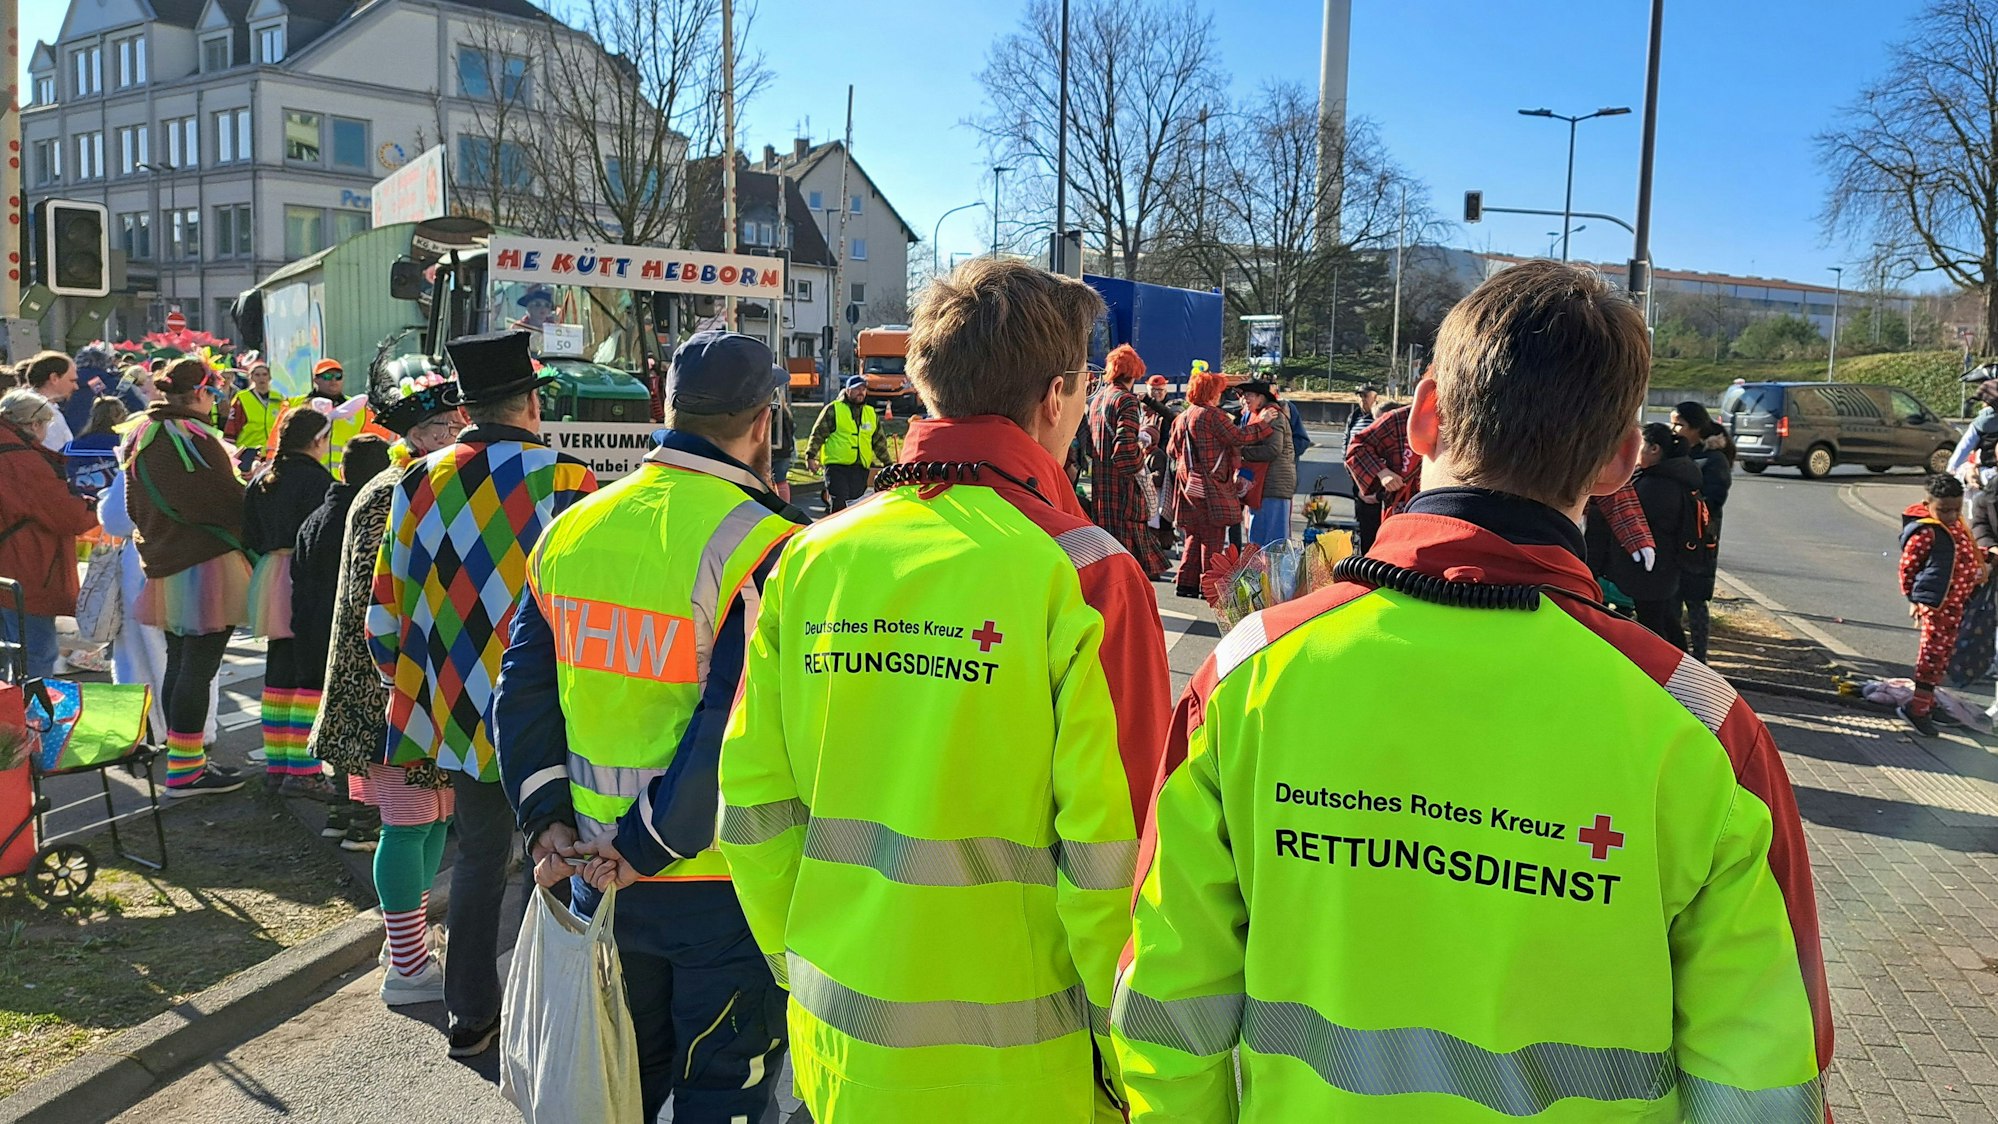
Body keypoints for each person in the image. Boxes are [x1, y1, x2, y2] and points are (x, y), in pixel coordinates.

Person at [1112, 260, 1831, 1121]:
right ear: (1621, 461)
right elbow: (1767, 1085)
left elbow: (1163, 1010)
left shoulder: (1251, 673)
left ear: (1422, 418)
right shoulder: (1703, 728)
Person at [718, 258, 1173, 1123]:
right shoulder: (1084, 574)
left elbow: (752, 809)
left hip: (838, 1045)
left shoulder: (813, 559)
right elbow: (1124, 858)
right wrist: (1133, 1058)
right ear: (1055, 396)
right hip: (1026, 1074)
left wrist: (813, 961)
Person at [496, 330, 803, 1122]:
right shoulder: (766, 543)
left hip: (592, 875)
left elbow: (522, 692)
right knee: (719, 1092)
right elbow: (732, 729)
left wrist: (545, 826)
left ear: (667, 407)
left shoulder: (573, 526)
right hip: (715, 885)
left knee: (627, 1086)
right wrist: (645, 847)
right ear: (763, 422)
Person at [369, 331, 597, 1048]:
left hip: (459, 710)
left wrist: (421, 688)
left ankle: (469, 1016)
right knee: (551, 853)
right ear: (531, 402)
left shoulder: (417, 479)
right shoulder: (565, 478)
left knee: (475, 858)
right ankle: (546, 1014)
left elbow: (385, 612)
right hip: (546, 706)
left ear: (466, 408)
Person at [312, 376, 466, 861]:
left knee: (435, 814)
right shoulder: (394, 489)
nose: (461, 432)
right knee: (407, 823)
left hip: (411, 676)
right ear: (423, 434)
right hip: (387, 681)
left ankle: (416, 934)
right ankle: (403, 940)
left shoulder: (418, 481)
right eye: (451, 424)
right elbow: (374, 594)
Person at [125, 358, 251, 796]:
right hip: (205, 561)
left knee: (181, 663)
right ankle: (186, 769)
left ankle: (184, 761)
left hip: (166, 559)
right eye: (215, 394)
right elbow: (224, 500)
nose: (216, 402)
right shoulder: (191, 437)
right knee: (199, 665)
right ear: (200, 393)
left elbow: (135, 504)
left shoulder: (142, 435)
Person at [292, 433, 394, 848]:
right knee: (366, 730)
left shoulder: (319, 516)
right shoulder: (371, 513)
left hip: (315, 635)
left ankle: (339, 812)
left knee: (339, 724)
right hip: (355, 639)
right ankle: (365, 821)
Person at [243, 407, 338, 795]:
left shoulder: (263, 477)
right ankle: (304, 770)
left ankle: (277, 764)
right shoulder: (317, 480)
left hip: (269, 574)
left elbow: (247, 532)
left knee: (278, 670)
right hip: (304, 577)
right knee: (309, 671)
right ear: (317, 441)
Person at [100, 462, 219, 745]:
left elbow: (114, 518)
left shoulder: (136, 464)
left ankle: (144, 730)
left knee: (138, 651)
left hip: (142, 562)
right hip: (193, 558)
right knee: (191, 656)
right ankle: (193, 734)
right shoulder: (200, 457)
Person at [0, 389, 98, 680]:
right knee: (35, 657)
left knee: (8, 655)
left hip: (9, 565)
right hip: (26, 569)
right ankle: (27, 722)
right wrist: (94, 508)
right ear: (33, 425)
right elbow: (66, 516)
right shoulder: (23, 462)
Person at [1167, 370, 1277, 598]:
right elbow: (1237, 437)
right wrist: (1263, 424)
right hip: (1211, 486)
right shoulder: (1212, 416)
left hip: (1188, 485)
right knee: (1212, 538)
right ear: (1211, 392)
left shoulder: (1182, 417)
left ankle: (1185, 584)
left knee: (1193, 535)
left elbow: (1171, 450)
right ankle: (1210, 589)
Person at [1898, 473, 1985, 736]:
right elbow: (1908, 568)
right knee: (1932, 655)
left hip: (1956, 602)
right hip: (1936, 604)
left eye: (1956, 509)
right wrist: (1914, 599)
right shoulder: (1926, 531)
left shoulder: (1957, 525)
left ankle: (1928, 700)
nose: (1950, 515)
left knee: (1943, 655)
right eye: (1943, 510)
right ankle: (1917, 708)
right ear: (1928, 504)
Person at [1606, 423, 1704, 650]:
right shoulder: (1673, 476)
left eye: (1639, 445)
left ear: (1654, 449)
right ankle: (1681, 666)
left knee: (1654, 624)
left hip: (1652, 571)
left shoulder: (1657, 485)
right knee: (1665, 620)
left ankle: (1667, 673)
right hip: (1663, 569)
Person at [1088, 344, 1168, 578]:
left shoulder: (1097, 400)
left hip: (1102, 492)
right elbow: (1124, 453)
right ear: (1134, 373)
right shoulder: (1126, 400)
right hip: (1125, 495)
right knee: (1130, 570)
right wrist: (1140, 458)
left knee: (1109, 566)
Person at [1673, 401, 1734, 661]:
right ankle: (1673, 655)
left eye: (1680, 424)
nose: (1673, 428)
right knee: (1670, 598)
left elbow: (1714, 498)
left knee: (1696, 599)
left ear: (1696, 428)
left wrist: (1687, 508)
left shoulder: (1713, 459)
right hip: (1674, 536)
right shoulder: (1677, 452)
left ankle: (1700, 658)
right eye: (1672, 422)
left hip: (1700, 539)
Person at [805, 376, 886, 512]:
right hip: (837, 467)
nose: (860, 392)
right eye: (856, 389)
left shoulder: (870, 413)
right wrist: (810, 456)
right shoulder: (833, 409)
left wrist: (888, 464)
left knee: (855, 504)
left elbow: (879, 441)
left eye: (863, 389)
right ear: (848, 391)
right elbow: (818, 434)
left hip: (860, 468)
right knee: (839, 502)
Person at [1238, 380, 1295, 548]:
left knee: (1273, 544)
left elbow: (1272, 450)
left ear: (1261, 397)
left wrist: (1242, 452)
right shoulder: (1259, 415)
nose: (1245, 398)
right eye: (1244, 395)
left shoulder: (1272, 416)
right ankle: (1260, 573)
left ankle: (1271, 575)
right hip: (1263, 485)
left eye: (1249, 395)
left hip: (1273, 486)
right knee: (1259, 540)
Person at [293, 359, 367, 476]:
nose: (333, 381)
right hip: (307, 476)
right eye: (327, 376)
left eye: (338, 376)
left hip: (345, 479)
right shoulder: (296, 405)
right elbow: (279, 438)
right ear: (315, 379)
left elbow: (373, 441)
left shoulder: (358, 407)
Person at [225, 361, 282, 474]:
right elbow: (232, 425)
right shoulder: (242, 398)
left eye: (264, 374)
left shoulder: (278, 398)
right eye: (257, 375)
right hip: (248, 450)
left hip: (272, 450)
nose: (262, 378)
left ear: (270, 377)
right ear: (251, 377)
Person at [1344, 384, 1382, 546]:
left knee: (1374, 517)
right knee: (1361, 516)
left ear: (1375, 397)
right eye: (1360, 396)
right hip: (1356, 476)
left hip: (1376, 477)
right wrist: (1347, 464)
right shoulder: (1354, 416)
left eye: (1365, 396)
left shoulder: (1379, 416)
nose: (1362, 400)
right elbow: (1346, 442)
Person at [24, 352, 79, 453]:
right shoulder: (38, 412)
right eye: (72, 381)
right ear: (54, 378)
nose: (76, 387)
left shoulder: (33, 406)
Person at [770, 374, 798, 501]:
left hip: (771, 449)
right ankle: (785, 507)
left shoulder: (773, 409)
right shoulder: (786, 412)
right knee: (781, 481)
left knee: (768, 481)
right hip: (785, 449)